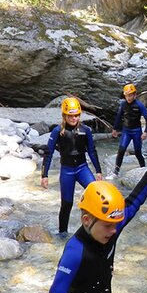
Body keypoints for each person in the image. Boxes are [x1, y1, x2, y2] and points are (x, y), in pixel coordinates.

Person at [41, 150, 147, 293]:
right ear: (87, 220)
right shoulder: (74, 252)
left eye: (117, 224)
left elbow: (134, 201)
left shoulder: (111, 226)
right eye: (108, 225)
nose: (114, 230)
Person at [41, 97, 103, 238]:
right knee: (67, 204)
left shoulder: (85, 130)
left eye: (76, 115)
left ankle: (94, 228)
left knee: (96, 195)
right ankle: (62, 234)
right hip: (67, 171)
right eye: (70, 115)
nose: (74, 118)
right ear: (64, 115)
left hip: (82, 168)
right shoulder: (57, 131)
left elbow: (92, 151)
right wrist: (44, 175)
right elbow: (48, 153)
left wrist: (98, 171)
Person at [111, 84, 147, 177]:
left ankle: (143, 169)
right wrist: (115, 129)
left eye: (130, 95)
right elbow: (118, 117)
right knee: (121, 150)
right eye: (127, 96)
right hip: (126, 131)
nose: (128, 98)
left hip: (136, 131)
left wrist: (146, 132)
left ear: (135, 95)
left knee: (137, 152)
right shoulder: (123, 105)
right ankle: (116, 172)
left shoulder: (139, 105)